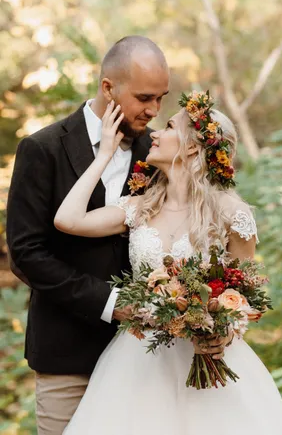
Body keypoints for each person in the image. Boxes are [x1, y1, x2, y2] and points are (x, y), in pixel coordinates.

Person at [54, 91, 282, 434]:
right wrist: (104, 155)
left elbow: (245, 297)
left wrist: (221, 334)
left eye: (168, 126)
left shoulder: (231, 214)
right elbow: (68, 220)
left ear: (194, 146)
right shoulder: (138, 208)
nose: (155, 132)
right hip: (137, 363)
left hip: (209, 365)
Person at [6, 35, 172, 435]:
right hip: (67, 356)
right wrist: (110, 302)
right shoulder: (42, 149)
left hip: (145, 358)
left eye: (161, 98)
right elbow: (26, 254)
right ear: (107, 87)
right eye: (144, 97)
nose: (153, 110)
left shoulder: (159, 152)